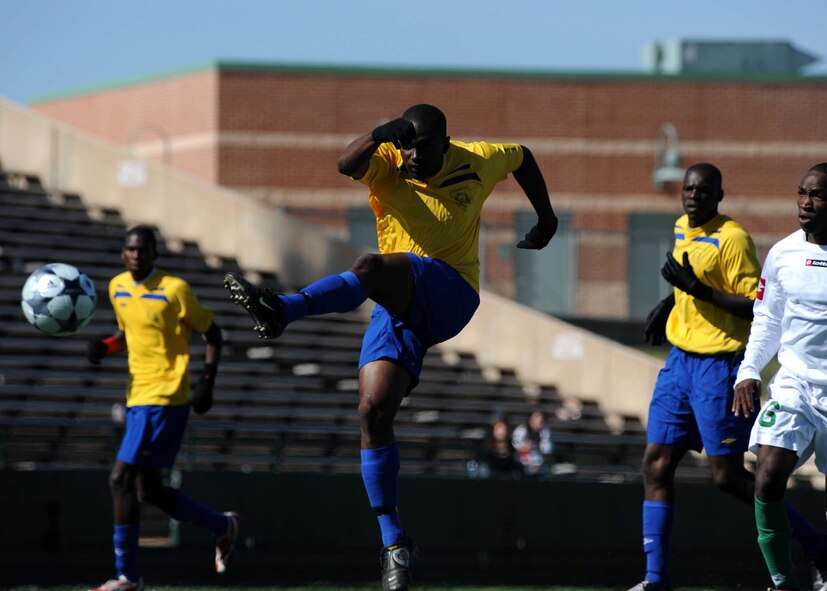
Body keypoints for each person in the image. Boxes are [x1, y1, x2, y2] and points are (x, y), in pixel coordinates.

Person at [223, 103, 557, 591]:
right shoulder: (388, 159)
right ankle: (395, 545)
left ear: (446, 142)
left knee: (371, 267)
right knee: (371, 413)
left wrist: (545, 217)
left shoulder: (479, 159)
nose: (413, 155)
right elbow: (345, 164)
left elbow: (522, 156)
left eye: (423, 146)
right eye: (407, 145)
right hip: (397, 306)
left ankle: (284, 310)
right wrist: (380, 135)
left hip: (451, 291)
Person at [631, 163, 827, 591]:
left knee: (727, 476)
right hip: (684, 362)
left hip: (717, 364)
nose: (693, 196)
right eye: (688, 188)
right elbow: (751, 306)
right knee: (657, 464)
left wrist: (697, 291)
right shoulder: (686, 227)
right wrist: (672, 302)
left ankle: (817, 546)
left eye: (704, 190)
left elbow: (745, 304)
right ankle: (656, 580)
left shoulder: (734, 238)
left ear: (719, 195)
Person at [86, 225, 239, 591]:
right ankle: (223, 526)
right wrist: (105, 346)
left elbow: (213, 334)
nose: (136, 255)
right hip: (137, 396)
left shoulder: (175, 289)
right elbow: (128, 334)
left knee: (119, 478)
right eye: (130, 249)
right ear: (123, 253)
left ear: (154, 253)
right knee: (150, 490)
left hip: (167, 396)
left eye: (143, 249)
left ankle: (128, 575)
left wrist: (206, 382)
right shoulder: (117, 286)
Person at [733, 163, 827, 590]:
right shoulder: (783, 253)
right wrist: (749, 371)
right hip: (795, 385)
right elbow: (767, 319)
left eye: (818, 195)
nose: (806, 203)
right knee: (767, 475)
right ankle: (782, 581)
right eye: (801, 193)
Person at [511, 408, 554, 477]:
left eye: (542, 418)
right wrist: (525, 448)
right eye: (537, 417)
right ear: (530, 419)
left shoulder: (544, 431)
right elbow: (514, 450)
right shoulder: (521, 430)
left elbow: (548, 450)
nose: (540, 420)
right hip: (522, 468)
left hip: (540, 469)